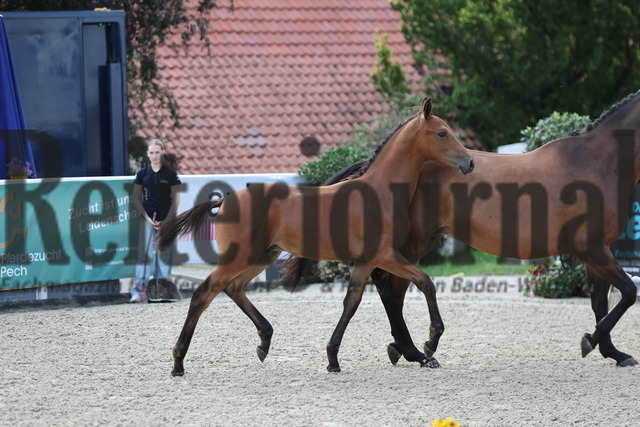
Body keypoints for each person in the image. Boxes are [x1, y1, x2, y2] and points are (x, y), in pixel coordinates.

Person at [131, 139, 181, 303]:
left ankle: (160, 292)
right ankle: (140, 292)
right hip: (147, 220)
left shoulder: (170, 174)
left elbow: (176, 199)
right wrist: (147, 218)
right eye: (151, 152)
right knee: (144, 256)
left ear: (162, 152)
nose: (154, 156)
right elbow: (136, 198)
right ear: (147, 154)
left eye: (157, 152)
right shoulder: (142, 173)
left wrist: (166, 221)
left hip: (166, 221)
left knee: (162, 256)